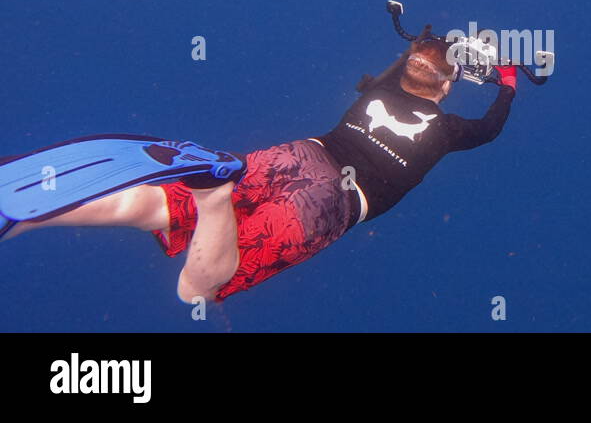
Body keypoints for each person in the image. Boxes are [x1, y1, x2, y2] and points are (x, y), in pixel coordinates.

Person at [1, 36, 518, 303]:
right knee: (194, 291)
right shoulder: (447, 129)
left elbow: (402, 70)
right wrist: (508, 83)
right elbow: (490, 128)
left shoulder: (380, 89)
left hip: (295, 156)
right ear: (447, 88)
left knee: (153, 207)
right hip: (332, 202)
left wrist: (426, 47)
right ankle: (213, 195)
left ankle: (20, 218)